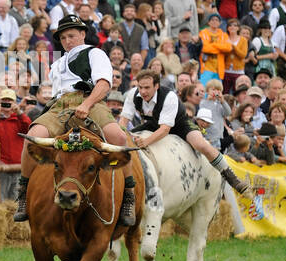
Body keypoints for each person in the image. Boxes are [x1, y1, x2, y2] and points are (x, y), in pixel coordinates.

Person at [13, 13, 136, 226]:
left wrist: (86, 105)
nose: (67, 41)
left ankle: (128, 195)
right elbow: (54, 94)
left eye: (71, 35)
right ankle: (22, 192)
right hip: (60, 105)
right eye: (63, 38)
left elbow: (104, 84)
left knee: (118, 138)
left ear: (82, 34)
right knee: (33, 137)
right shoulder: (57, 64)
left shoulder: (95, 53)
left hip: (89, 100)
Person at [119, 68, 250, 197]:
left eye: (147, 88)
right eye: (140, 87)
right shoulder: (132, 94)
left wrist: (145, 142)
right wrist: (122, 137)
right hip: (153, 124)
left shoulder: (169, 96)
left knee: (201, 144)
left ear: (157, 86)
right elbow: (123, 122)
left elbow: (165, 129)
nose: (142, 91)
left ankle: (232, 178)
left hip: (180, 124)